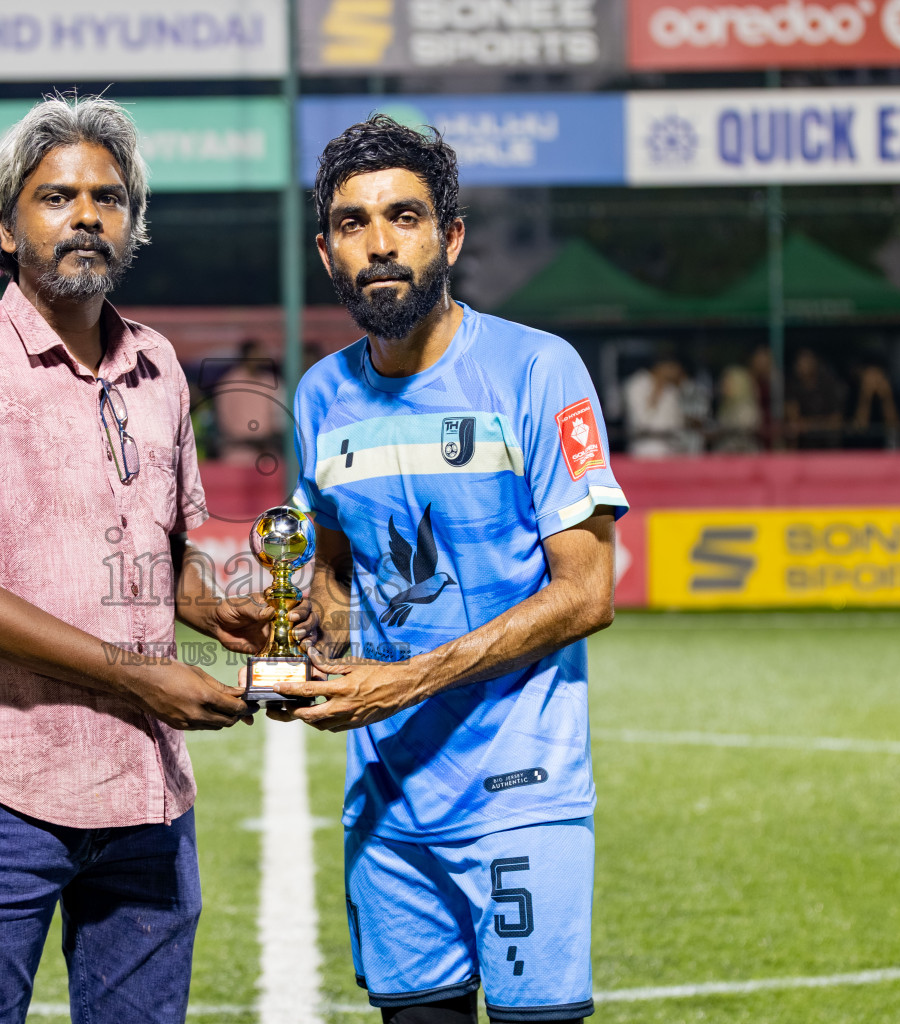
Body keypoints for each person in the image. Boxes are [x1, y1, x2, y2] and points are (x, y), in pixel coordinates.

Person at [0, 94, 314, 1024]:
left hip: (145, 797)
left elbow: (165, 555)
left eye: (108, 198)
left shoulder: (159, 366)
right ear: (6, 229)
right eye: (57, 197)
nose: (86, 215)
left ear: (132, 224)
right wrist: (139, 675)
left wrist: (222, 610)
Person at [275, 115, 626, 1024]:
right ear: (326, 252)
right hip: (388, 807)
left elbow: (587, 593)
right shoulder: (320, 395)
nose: (380, 243)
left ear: (451, 237)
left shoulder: (537, 370)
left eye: (404, 216)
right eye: (352, 223)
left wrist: (404, 681)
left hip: (521, 792)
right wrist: (311, 635)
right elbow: (334, 562)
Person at [212, 338, 283, 464]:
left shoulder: (271, 382)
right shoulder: (229, 384)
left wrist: (267, 438)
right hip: (237, 452)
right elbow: (224, 419)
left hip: (266, 451)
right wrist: (247, 439)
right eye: (256, 353)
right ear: (246, 356)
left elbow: (277, 418)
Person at [621, 357, 685, 457]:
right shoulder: (636, 385)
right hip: (645, 447)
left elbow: (677, 423)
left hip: (671, 448)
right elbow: (642, 422)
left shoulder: (671, 389)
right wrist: (656, 392)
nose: (677, 373)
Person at [785, 349, 846, 449]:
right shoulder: (792, 387)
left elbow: (836, 422)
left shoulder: (827, 385)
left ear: (814, 363)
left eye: (806, 362)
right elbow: (795, 424)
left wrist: (810, 425)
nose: (803, 366)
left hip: (828, 447)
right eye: (800, 363)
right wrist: (822, 423)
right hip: (804, 448)